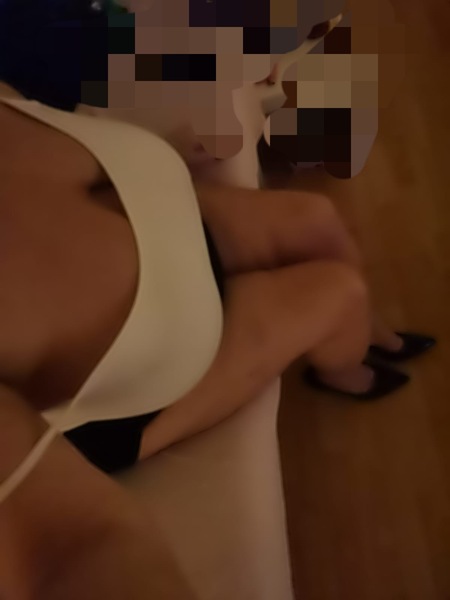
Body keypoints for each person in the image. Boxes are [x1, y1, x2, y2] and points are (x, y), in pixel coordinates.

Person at [0, 0, 435, 596]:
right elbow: (78, 551)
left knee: (315, 221)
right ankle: (346, 370)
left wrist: (225, 52)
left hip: (150, 213)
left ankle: (363, 337)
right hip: (129, 378)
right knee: (337, 293)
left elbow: (78, 45)